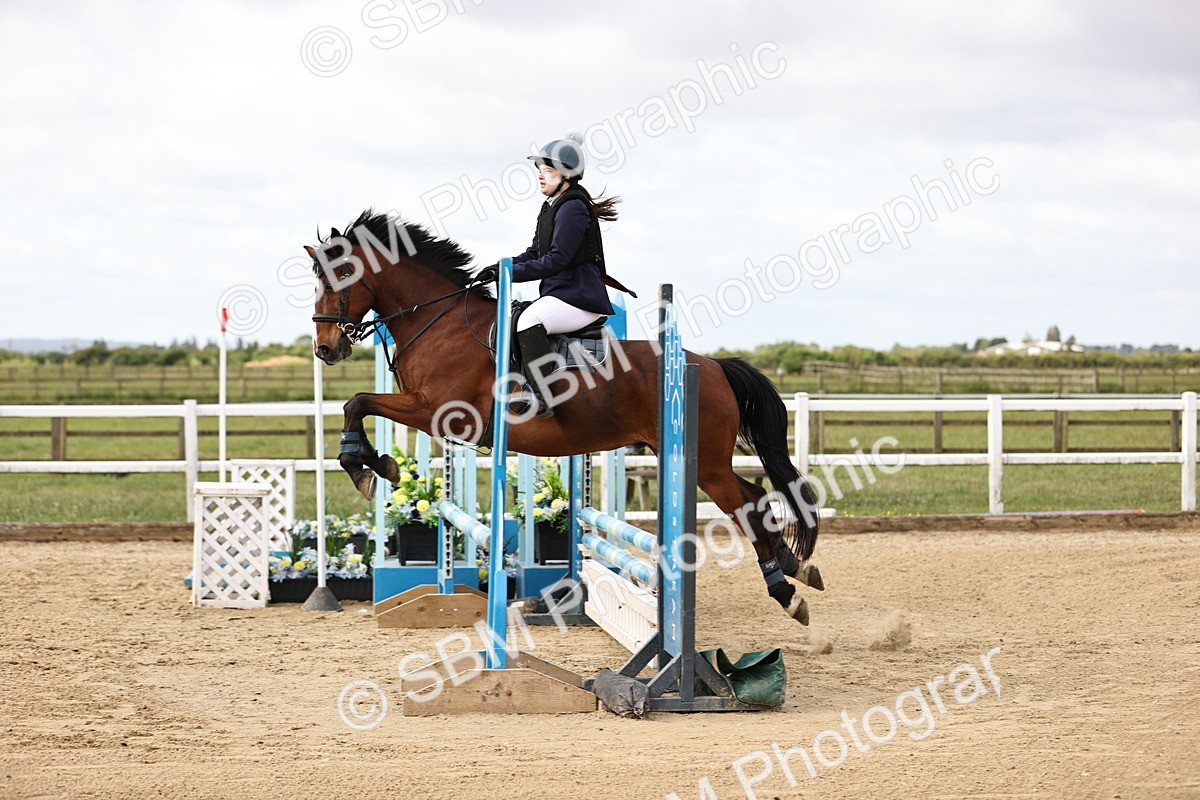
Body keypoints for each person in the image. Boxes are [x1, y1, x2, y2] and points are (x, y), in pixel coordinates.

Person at [477, 132, 634, 418]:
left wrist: (513, 273)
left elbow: (557, 260)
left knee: (528, 320)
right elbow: (535, 253)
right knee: (517, 317)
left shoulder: (573, 207)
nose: (540, 177)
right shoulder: (551, 207)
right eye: (540, 171)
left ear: (566, 175)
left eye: (547, 171)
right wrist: (502, 266)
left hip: (579, 298)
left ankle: (541, 396)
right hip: (562, 295)